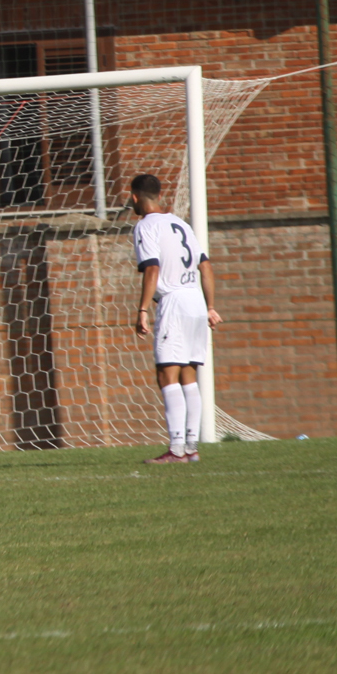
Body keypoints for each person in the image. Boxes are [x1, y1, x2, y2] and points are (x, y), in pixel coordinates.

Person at [129, 173, 222, 464]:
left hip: (173, 303)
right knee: (188, 375)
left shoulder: (145, 226)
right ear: (160, 195)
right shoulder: (182, 224)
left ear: (135, 197)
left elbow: (152, 269)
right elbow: (206, 267)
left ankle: (177, 449)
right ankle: (191, 448)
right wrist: (210, 306)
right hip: (196, 301)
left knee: (166, 374)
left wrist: (143, 309)